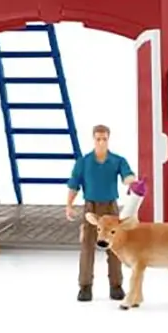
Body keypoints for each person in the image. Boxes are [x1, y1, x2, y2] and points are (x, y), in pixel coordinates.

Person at [65, 124, 134, 301]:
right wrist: (69, 205)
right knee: (87, 247)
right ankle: (85, 286)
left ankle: (116, 285)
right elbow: (74, 185)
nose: (101, 142)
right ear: (93, 139)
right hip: (91, 208)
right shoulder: (83, 162)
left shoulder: (117, 160)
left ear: (108, 139)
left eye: (104, 139)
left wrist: (132, 182)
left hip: (111, 208)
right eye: (98, 139)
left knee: (115, 248)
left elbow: (127, 175)